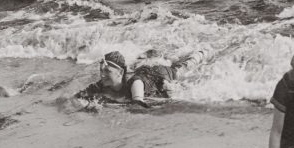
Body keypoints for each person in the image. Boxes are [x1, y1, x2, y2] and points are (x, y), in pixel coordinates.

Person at [75, 50, 203, 106]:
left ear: (120, 72)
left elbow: (138, 104)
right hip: (143, 71)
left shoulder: (135, 84)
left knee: (183, 66)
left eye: (107, 71)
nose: (102, 74)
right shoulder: (102, 84)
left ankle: (202, 53)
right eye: (101, 70)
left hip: (161, 75)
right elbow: (77, 97)